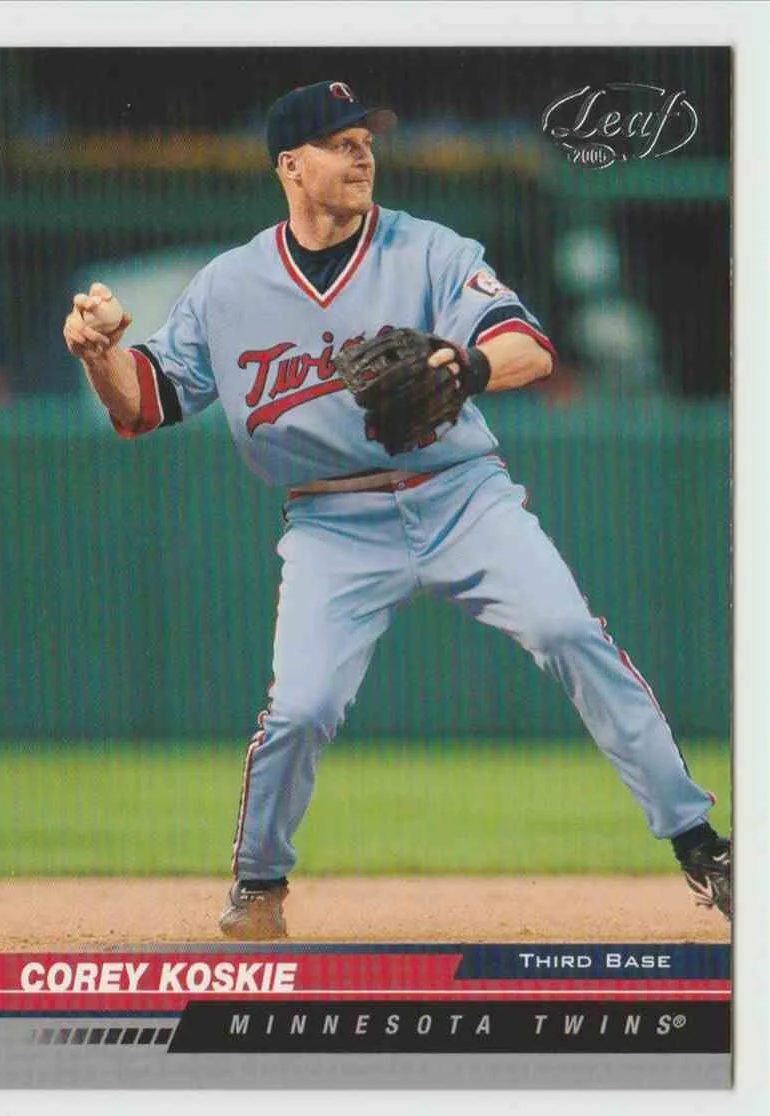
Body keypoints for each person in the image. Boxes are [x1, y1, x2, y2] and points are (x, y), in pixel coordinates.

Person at [63, 80, 731, 940]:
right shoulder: (226, 287)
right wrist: (101, 354)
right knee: (301, 707)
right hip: (332, 523)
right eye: (340, 144)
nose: (362, 155)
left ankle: (700, 844)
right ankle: (258, 886)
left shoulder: (429, 249)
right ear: (290, 166)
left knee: (569, 631)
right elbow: (143, 404)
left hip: (460, 496)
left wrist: (470, 366)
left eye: (366, 141)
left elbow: (526, 344)